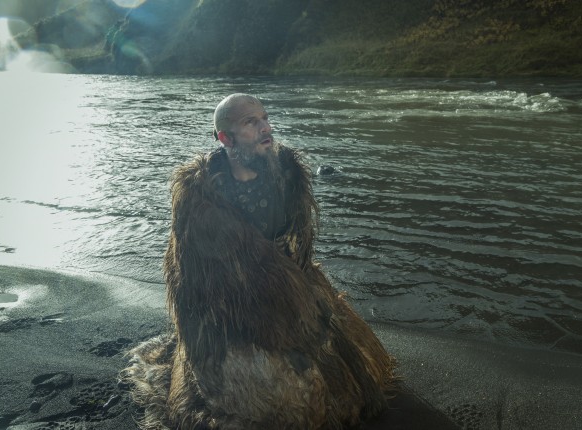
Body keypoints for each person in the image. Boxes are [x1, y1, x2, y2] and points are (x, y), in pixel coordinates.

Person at [123, 93, 396, 429]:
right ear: (226, 138)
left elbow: (297, 242)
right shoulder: (200, 197)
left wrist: (290, 281)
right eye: (251, 122)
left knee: (345, 371)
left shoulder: (285, 176)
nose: (266, 127)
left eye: (265, 118)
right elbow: (189, 276)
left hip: (289, 285)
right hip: (230, 305)